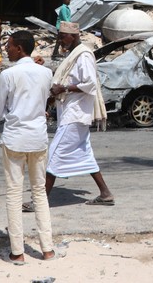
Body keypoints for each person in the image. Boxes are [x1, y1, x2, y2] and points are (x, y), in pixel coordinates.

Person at [24, 21, 114, 212]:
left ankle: (40, 202)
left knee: (52, 157)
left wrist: (63, 88)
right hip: (71, 113)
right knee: (85, 155)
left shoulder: (83, 55)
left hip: (76, 114)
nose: (59, 41)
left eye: (62, 36)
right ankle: (105, 194)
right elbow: (63, 79)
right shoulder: (74, 55)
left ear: (73, 36)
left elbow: (89, 84)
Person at [0, 30, 56, 263]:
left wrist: (10, 110)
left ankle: (17, 252)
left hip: (15, 138)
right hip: (38, 138)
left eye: (9, 46)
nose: (6, 49)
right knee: (39, 192)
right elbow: (45, 100)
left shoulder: (8, 75)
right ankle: (47, 249)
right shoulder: (46, 72)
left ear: (19, 48)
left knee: (14, 193)